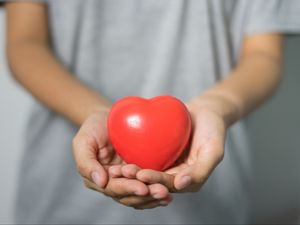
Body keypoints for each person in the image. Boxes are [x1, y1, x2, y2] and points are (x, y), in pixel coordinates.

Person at [5, 0, 300, 224]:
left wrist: (216, 105)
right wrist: (95, 112)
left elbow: (264, 56)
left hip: (211, 205)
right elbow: (25, 44)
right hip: (59, 200)